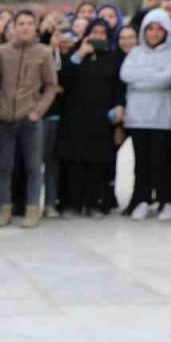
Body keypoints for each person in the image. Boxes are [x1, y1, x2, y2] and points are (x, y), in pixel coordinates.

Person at [0, 9, 59, 229]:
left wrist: (38, 111)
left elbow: (51, 86)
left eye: (30, 23)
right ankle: (4, 209)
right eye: (21, 23)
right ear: (14, 27)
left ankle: (32, 209)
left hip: (30, 118)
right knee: (4, 166)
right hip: (5, 117)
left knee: (32, 165)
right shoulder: (2, 52)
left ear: (36, 27)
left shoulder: (44, 52)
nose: (25, 27)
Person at [120, 8, 171, 222]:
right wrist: (154, 74)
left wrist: (142, 78)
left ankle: (166, 202)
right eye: (150, 29)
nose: (154, 33)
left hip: (163, 119)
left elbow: (168, 78)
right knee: (141, 163)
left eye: (159, 29)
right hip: (138, 119)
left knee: (163, 162)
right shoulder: (136, 52)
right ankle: (142, 200)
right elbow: (126, 75)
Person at [57, 18, 122, 216]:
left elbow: (118, 86)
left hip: (101, 119)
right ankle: (71, 203)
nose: (98, 37)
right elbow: (62, 81)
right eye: (94, 33)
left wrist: (118, 107)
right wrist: (79, 54)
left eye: (102, 34)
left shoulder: (112, 58)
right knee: (73, 162)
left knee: (96, 162)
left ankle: (94, 203)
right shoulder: (76, 54)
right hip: (74, 118)